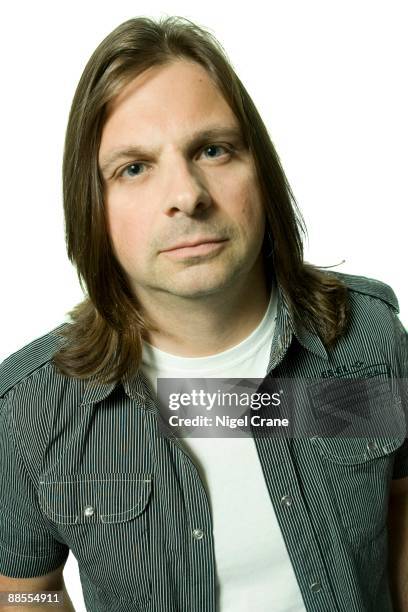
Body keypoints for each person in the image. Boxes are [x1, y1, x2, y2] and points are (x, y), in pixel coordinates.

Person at [0, 15, 407, 612]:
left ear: (259, 171)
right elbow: (26, 592)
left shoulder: (367, 341)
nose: (186, 195)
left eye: (213, 149)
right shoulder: (30, 407)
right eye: (134, 167)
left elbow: (398, 516)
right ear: (94, 206)